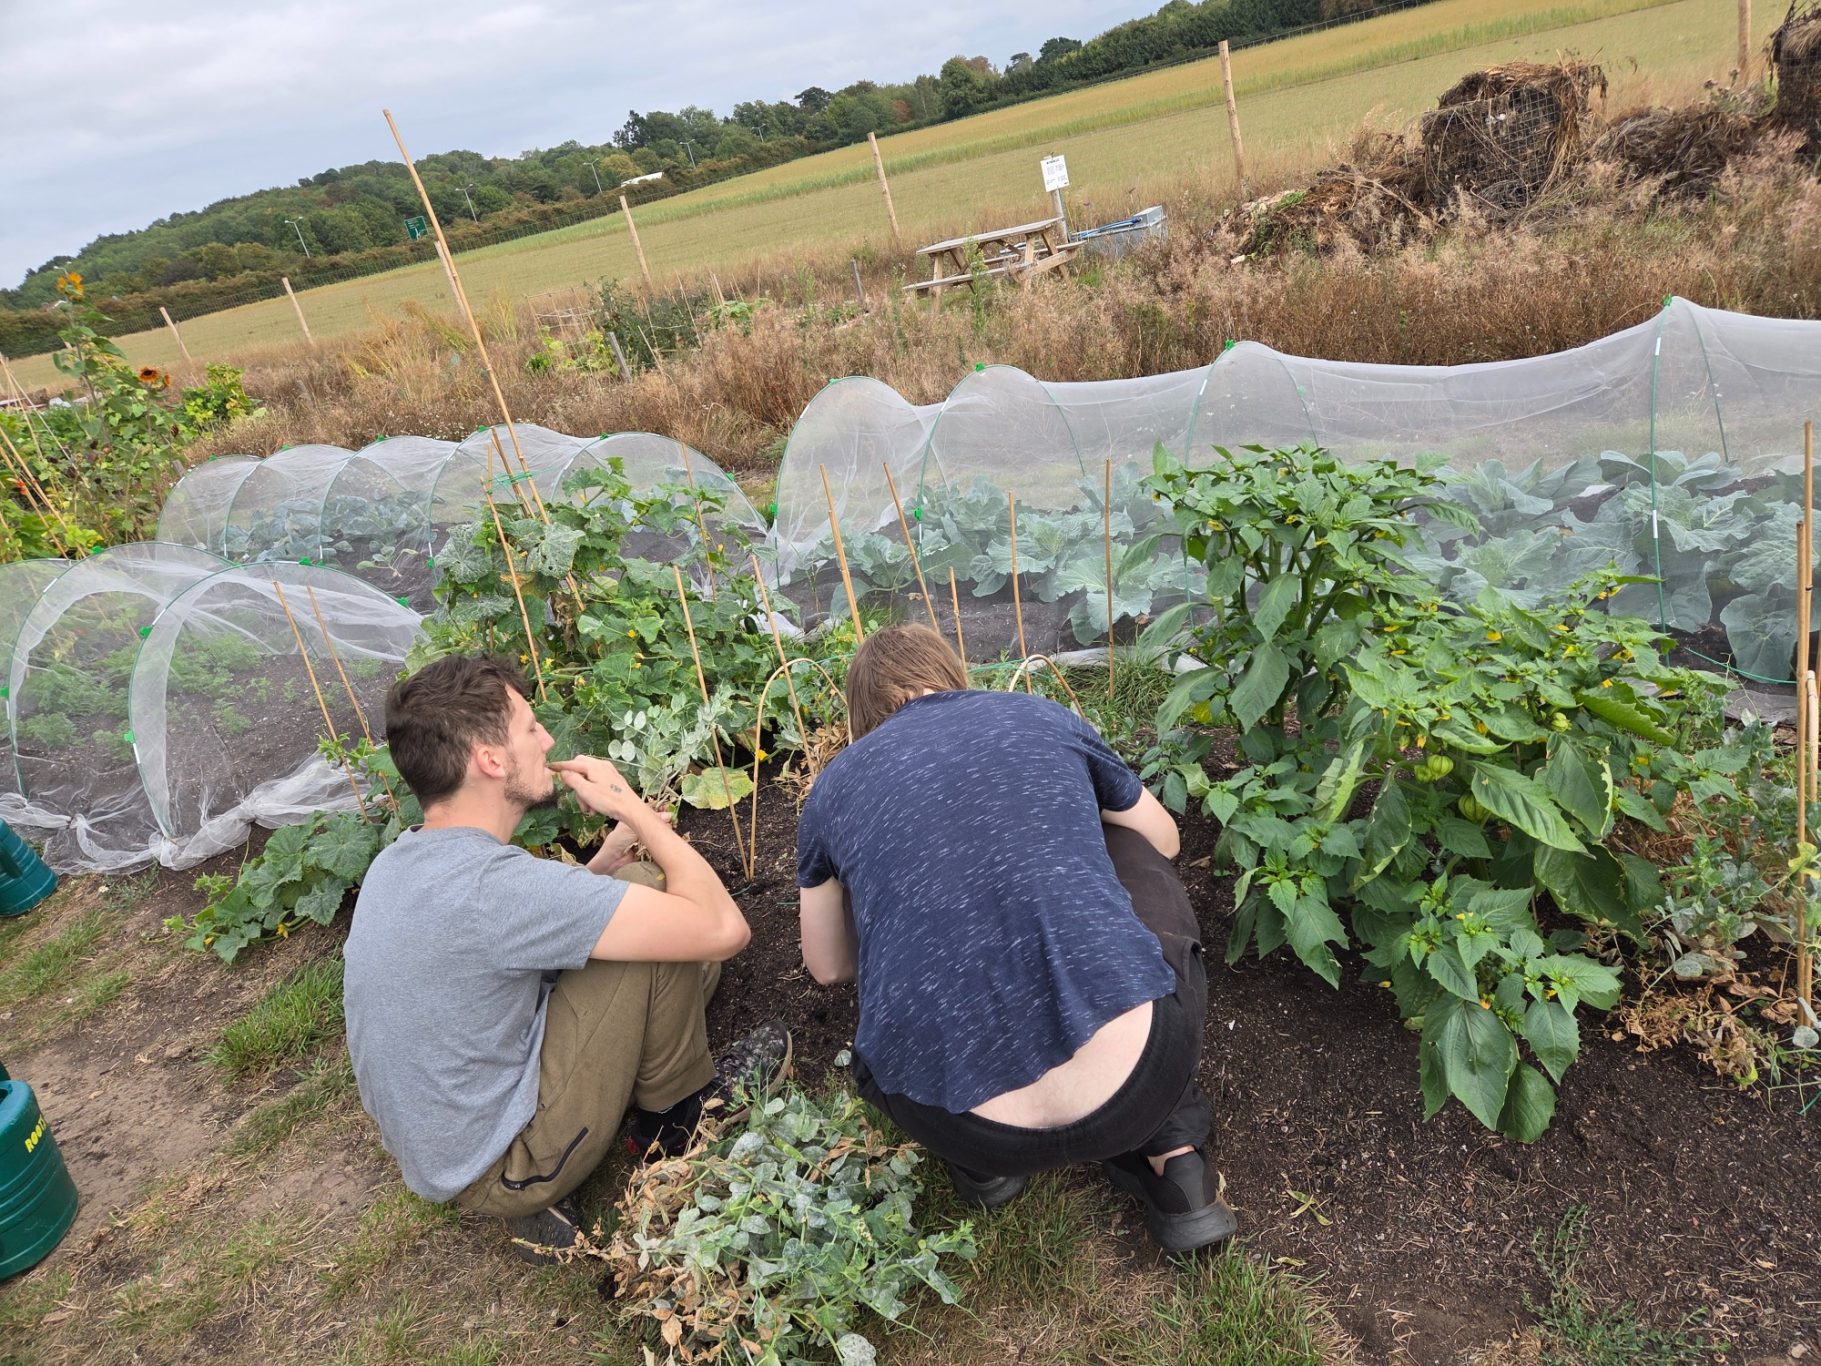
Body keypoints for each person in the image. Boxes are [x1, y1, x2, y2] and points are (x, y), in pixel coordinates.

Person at [795, 625, 1234, 1253]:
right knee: (1125, 851)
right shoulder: (1037, 716)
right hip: (1139, 1081)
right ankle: (1174, 1154)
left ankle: (985, 1167)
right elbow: (1161, 840)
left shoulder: (833, 789)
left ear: (862, 714)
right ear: (952, 674)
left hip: (957, 1121)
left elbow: (829, 964)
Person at [344, 653, 789, 1262]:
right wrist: (630, 807)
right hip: (502, 1163)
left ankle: (633, 1097)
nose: (548, 738)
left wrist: (604, 862)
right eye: (531, 727)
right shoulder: (495, 890)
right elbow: (722, 927)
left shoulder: (406, 859)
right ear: (491, 760)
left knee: (628, 883)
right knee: (657, 916)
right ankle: (681, 1120)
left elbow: (499, 946)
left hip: (444, 1140)